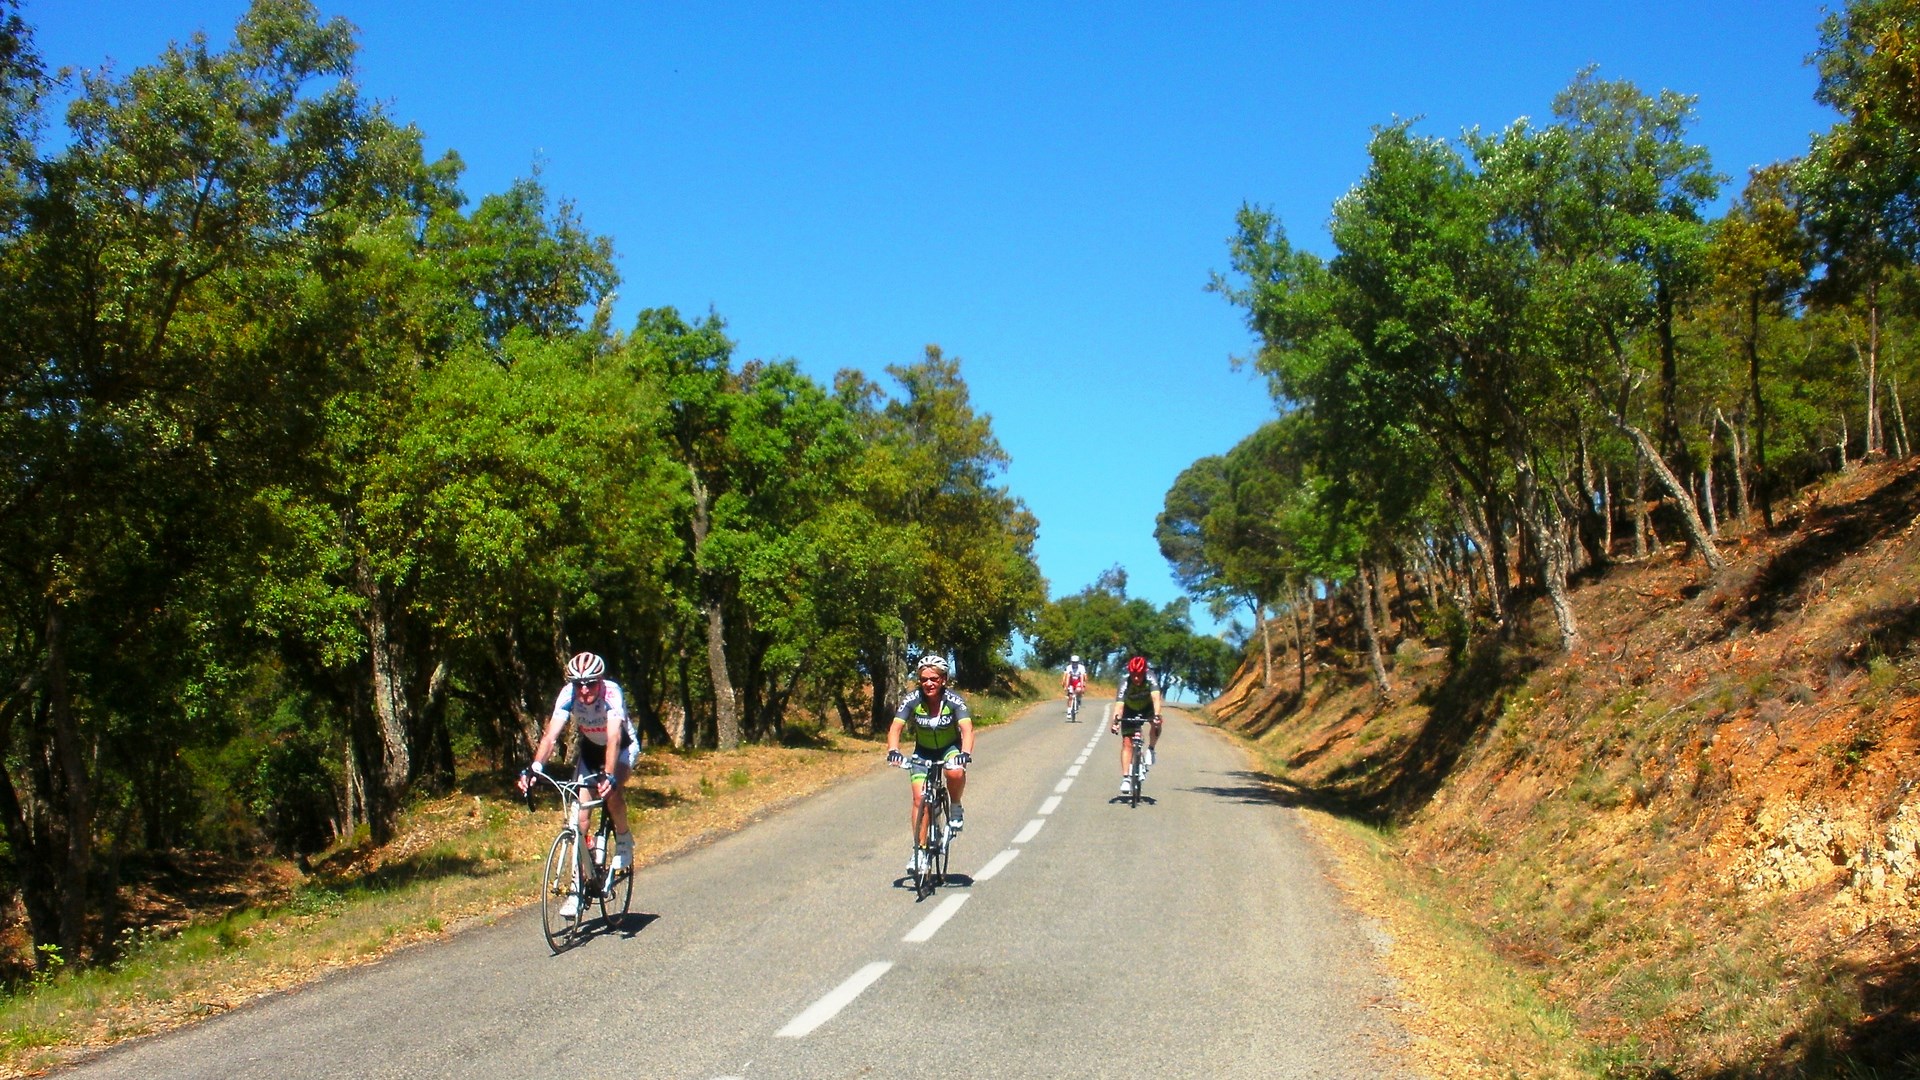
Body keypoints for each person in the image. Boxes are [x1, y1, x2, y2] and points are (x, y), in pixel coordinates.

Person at [518, 651, 640, 917]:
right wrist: (536, 768)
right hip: (590, 751)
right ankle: (577, 888)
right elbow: (550, 737)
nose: (584, 690)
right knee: (579, 819)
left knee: (611, 791)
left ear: (600, 681)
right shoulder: (568, 695)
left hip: (620, 748)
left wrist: (609, 775)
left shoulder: (612, 693)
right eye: (578, 684)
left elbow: (614, 738)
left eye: (590, 683)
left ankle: (623, 838)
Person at [885, 653, 975, 874]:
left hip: (949, 748)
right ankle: (919, 852)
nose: (929, 683)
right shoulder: (912, 699)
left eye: (934, 679)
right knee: (919, 799)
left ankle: (955, 805)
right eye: (924, 679)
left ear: (943, 679)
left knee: (955, 772)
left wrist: (964, 753)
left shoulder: (954, 701)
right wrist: (893, 750)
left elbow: (967, 729)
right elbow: (895, 727)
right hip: (923, 752)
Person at [1109, 654, 1162, 796]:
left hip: (1147, 707)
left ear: (1145, 672)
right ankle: (1126, 778)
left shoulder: (1151, 678)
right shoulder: (1124, 682)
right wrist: (1115, 722)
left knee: (1157, 723)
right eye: (1133, 675)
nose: (1136, 678)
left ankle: (1151, 749)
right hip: (1130, 709)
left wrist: (1157, 716)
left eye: (1139, 675)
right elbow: (1119, 706)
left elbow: (1156, 699)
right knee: (1127, 742)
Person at [1061, 654, 1089, 720]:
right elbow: (1067, 677)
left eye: (1076, 662)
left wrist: (1082, 687)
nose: (1074, 664)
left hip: (1078, 681)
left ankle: (1078, 699)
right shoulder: (1069, 667)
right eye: (1073, 662)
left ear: (1078, 662)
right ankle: (1069, 712)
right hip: (1071, 682)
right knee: (1070, 696)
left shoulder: (1081, 667)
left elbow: (1082, 678)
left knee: (1079, 690)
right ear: (1071, 662)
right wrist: (1066, 686)